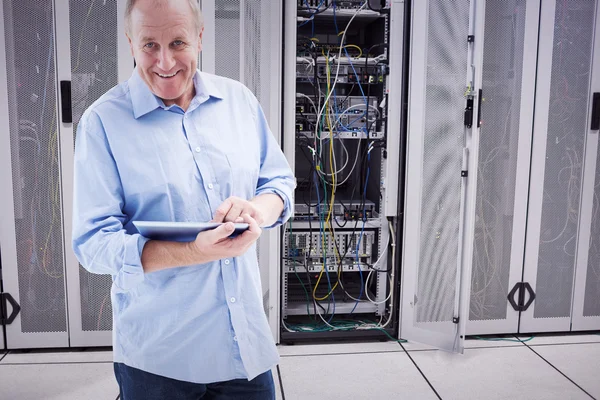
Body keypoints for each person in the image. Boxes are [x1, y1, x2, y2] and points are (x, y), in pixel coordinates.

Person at [71, 0, 295, 398]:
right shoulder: (102, 123)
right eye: (149, 46)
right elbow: (93, 244)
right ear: (130, 43)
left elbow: (278, 181)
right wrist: (195, 251)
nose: (165, 61)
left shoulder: (238, 102)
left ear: (200, 37)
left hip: (244, 347)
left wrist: (256, 209)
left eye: (178, 42)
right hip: (159, 360)